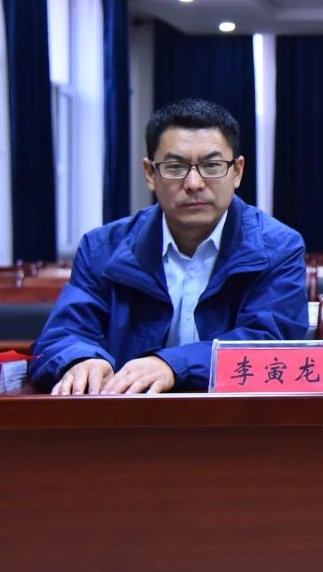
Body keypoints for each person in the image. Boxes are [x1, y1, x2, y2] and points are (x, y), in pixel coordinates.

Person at [29, 98, 308, 395]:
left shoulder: (278, 248)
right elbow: (63, 334)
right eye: (175, 167)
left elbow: (271, 345)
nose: (194, 183)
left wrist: (173, 365)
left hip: (236, 417)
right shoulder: (102, 249)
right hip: (124, 415)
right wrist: (80, 359)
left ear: (237, 172)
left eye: (212, 166)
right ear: (150, 174)